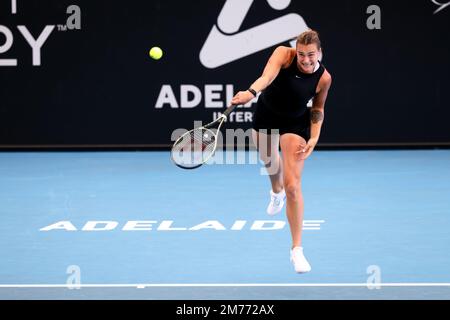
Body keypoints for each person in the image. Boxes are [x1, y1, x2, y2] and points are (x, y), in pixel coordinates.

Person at [231, 30, 332, 273]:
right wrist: (250, 93)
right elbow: (266, 77)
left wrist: (315, 136)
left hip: (295, 124)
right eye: (301, 55)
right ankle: (275, 192)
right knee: (271, 165)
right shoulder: (283, 55)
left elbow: (318, 108)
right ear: (295, 52)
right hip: (266, 116)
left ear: (319, 53)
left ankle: (297, 250)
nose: (305, 60)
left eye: (310, 55)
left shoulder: (324, 78)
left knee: (294, 186)